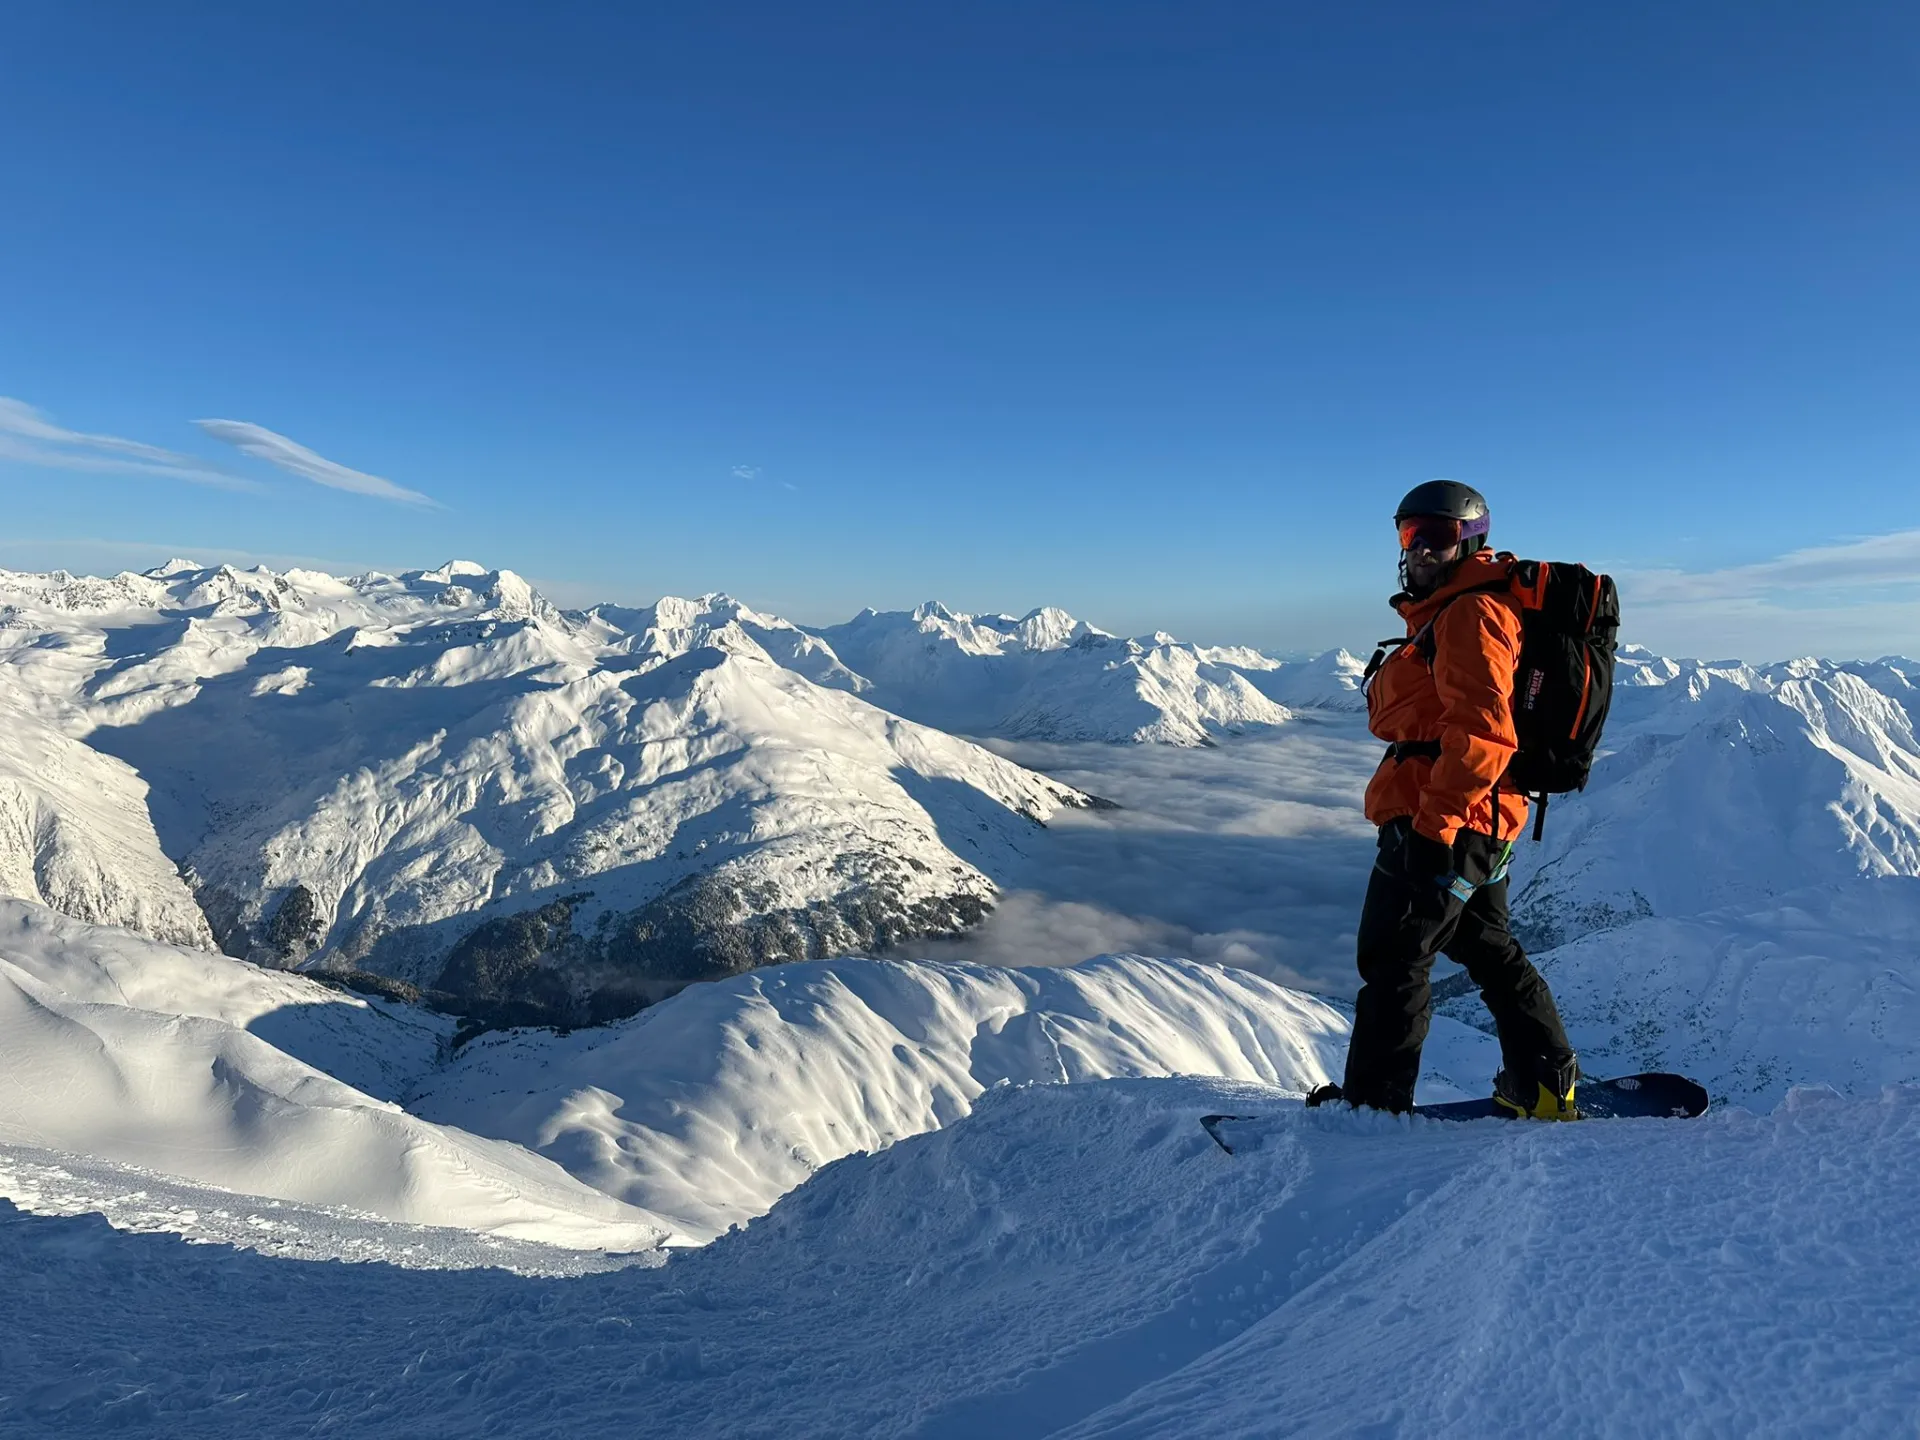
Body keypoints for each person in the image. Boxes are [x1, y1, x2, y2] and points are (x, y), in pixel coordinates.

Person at [1308, 481, 1579, 1119]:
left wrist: (1434, 831)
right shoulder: (1450, 612)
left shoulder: (1469, 615)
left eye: (1438, 538)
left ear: (1471, 543)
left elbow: (1484, 734)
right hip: (1476, 818)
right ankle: (1546, 1086)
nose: (1421, 551)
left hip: (1448, 819)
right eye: (1410, 537)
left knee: (1395, 957)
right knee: (1486, 946)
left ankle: (1373, 1111)